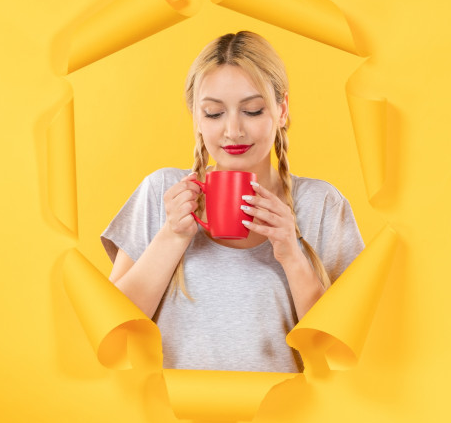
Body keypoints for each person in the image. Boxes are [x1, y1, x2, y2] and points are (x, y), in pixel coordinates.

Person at [100, 31, 364, 373]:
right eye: (213, 113)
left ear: (282, 110)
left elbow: (340, 350)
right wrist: (173, 236)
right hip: (174, 418)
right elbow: (114, 330)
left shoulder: (322, 204)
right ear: (196, 116)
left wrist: (291, 254)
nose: (233, 130)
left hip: (287, 418)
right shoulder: (160, 192)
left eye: (252, 110)